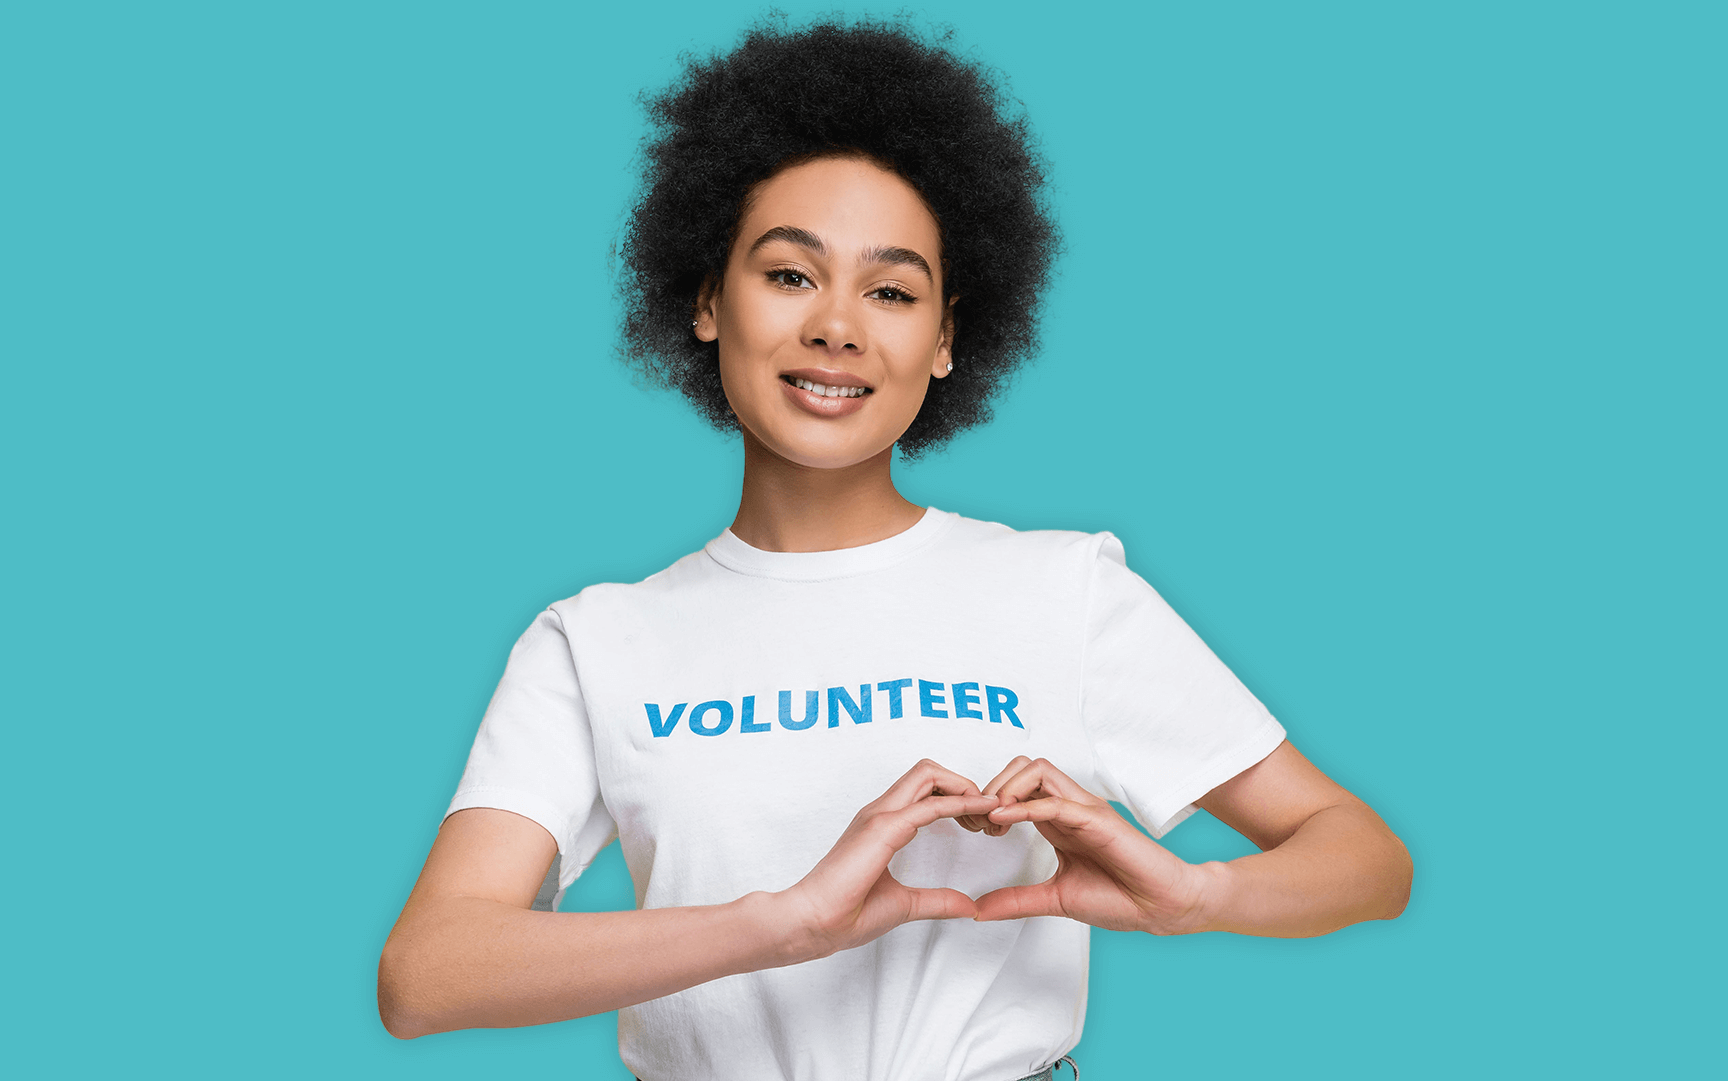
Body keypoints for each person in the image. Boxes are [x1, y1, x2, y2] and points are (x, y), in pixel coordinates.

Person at [377, 17, 1412, 1081]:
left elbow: (1365, 858)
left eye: (891, 290)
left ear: (948, 337)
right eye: (789, 275)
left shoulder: (1062, 591)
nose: (838, 328)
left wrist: (1199, 895)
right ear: (704, 299)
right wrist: (780, 923)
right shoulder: (598, 640)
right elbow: (426, 974)